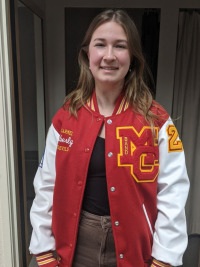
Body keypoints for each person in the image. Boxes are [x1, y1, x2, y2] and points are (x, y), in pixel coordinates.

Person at [29, 9, 190, 267]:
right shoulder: (66, 117)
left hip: (135, 249)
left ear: (133, 57)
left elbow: (173, 194)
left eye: (120, 46)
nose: (109, 56)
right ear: (87, 54)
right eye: (100, 45)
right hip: (75, 245)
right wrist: (43, 250)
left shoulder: (156, 121)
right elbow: (46, 186)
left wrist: (164, 259)